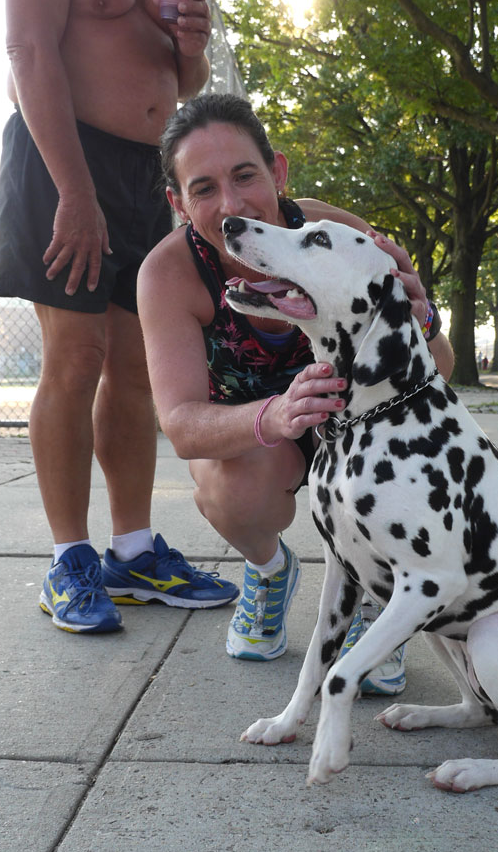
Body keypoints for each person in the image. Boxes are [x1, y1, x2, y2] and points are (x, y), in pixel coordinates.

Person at [0, 0, 236, 635]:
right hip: (63, 160)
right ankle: (70, 561)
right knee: (77, 358)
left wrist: (194, 47)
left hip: (144, 172)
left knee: (138, 368)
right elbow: (27, 49)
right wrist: (74, 191)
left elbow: (182, 79)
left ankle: (132, 554)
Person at [137, 93, 455, 692]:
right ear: (178, 204)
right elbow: (180, 424)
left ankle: (379, 601)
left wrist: (424, 322)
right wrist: (279, 414)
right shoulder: (168, 274)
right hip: (264, 436)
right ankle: (268, 570)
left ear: (277, 170)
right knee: (229, 489)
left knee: (409, 465)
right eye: (203, 189)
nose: (232, 205)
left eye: (245, 175)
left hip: (360, 427)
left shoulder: (337, 236)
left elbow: (440, 369)